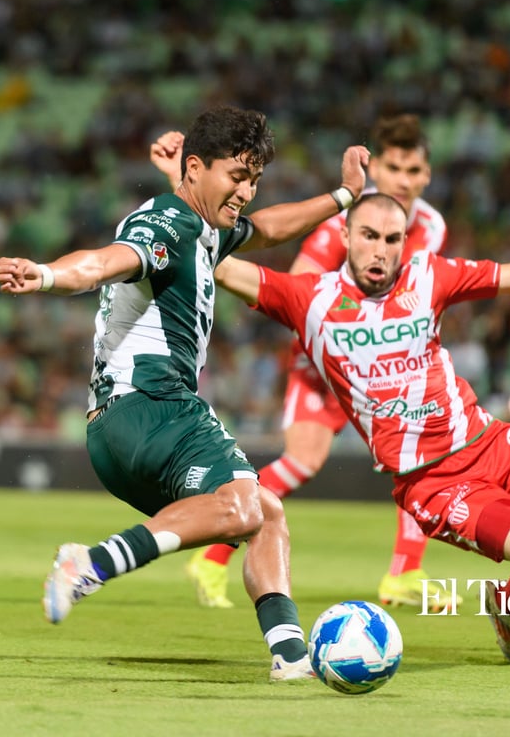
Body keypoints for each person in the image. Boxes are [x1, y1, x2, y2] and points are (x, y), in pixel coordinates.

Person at [211, 193, 510, 664]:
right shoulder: (307, 298)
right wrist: (189, 194)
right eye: (369, 236)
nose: (380, 250)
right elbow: (219, 263)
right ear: (344, 236)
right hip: (434, 484)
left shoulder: (428, 275)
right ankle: (508, 605)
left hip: (490, 442)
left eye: (392, 239)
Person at [0, 105, 368, 681]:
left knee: (265, 513)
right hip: (154, 407)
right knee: (246, 505)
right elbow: (102, 262)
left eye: (254, 180)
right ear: (196, 168)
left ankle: (290, 656)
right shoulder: (170, 222)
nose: (246, 191)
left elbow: (269, 229)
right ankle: (88, 563)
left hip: (117, 431)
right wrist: (45, 274)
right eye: (237, 177)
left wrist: (344, 196)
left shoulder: (205, 229)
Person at [153, 114, 453, 611]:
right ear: (376, 171)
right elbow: (303, 286)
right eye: (393, 168)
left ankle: (405, 572)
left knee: (410, 454)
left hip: (387, 360)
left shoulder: (432, 227)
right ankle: (216, 552)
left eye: (413, 170)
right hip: (328, 360)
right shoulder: (343, 223)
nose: (402, 180)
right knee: (308, 461)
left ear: (426, 176)